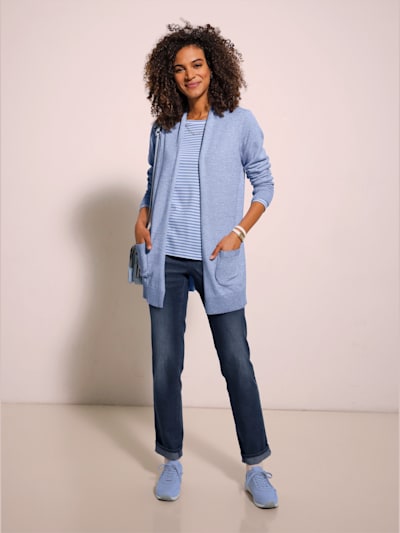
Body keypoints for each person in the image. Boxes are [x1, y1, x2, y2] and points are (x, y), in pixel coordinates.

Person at [134, 21, 278, 509]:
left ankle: (256, 467)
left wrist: (239, 233)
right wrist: (141, 214)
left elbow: (265, 183)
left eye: (197, 64)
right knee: (165, 364)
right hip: (166, 259)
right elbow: (153, 181)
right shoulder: (164, 126)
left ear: (213, 67)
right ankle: (171, 460)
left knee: (236, 361)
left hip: (217, 258)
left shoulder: (239, 122)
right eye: (179, 68)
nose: (189, 74)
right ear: (169, 76)